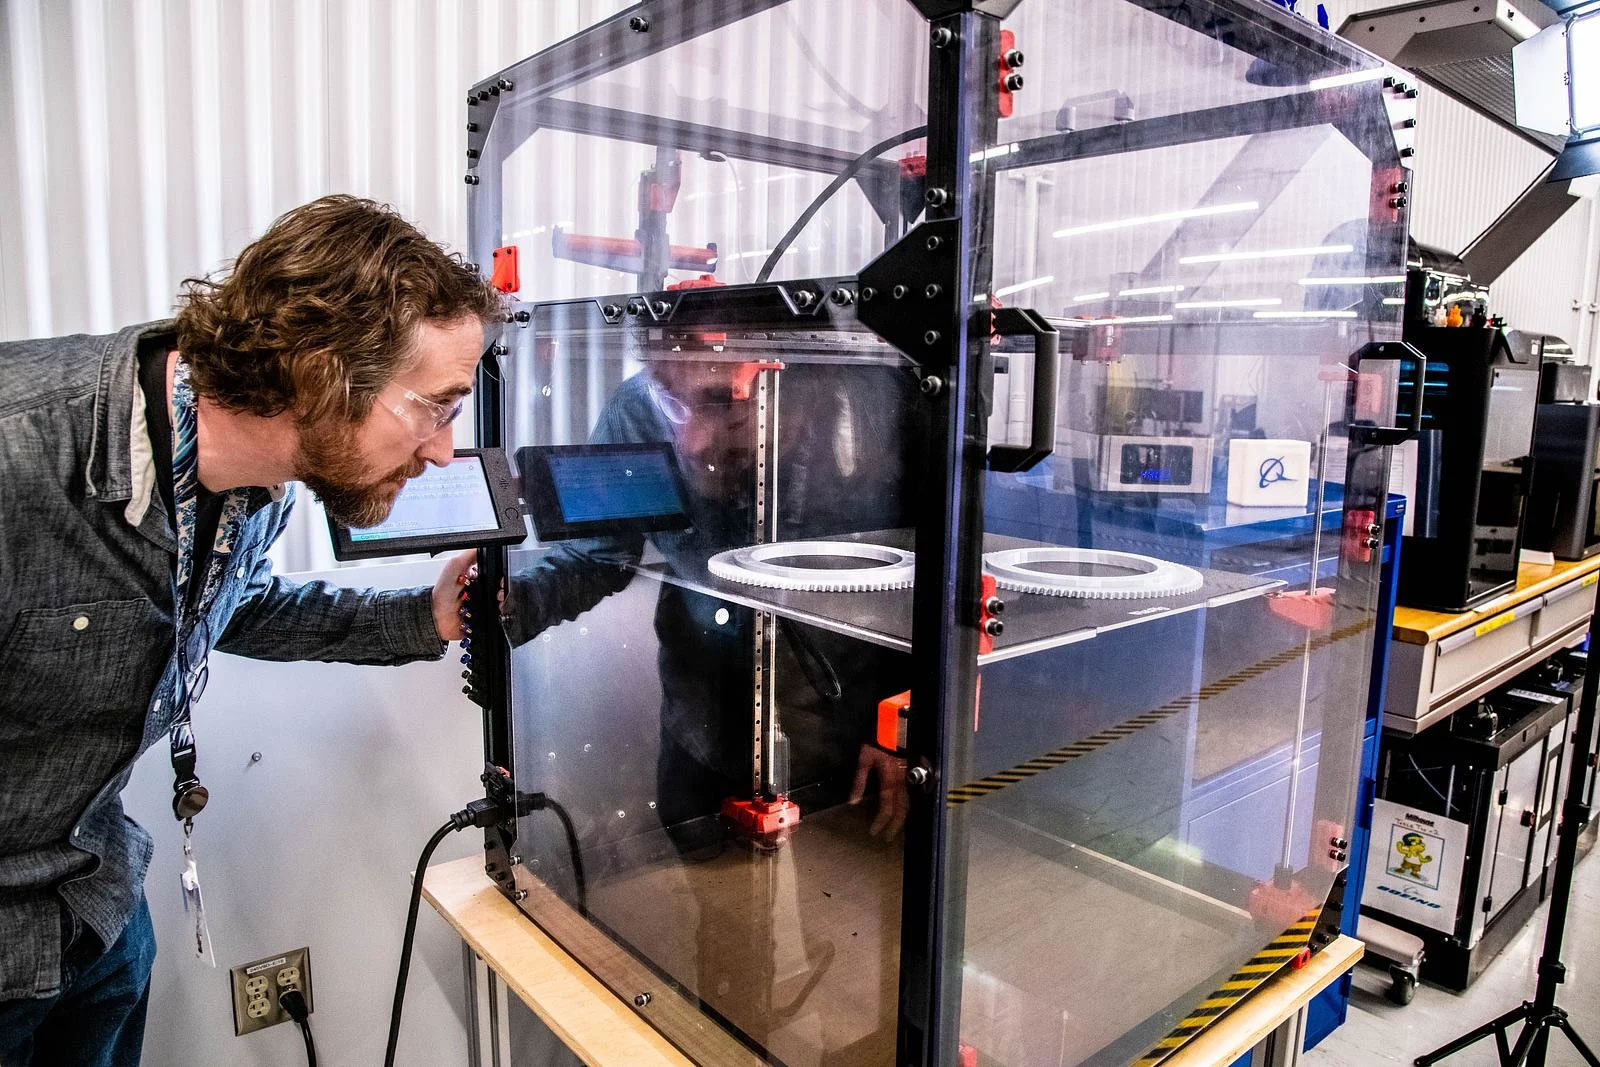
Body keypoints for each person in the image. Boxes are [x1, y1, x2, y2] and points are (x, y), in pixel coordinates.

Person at [0, 195, 498, 1066]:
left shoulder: (256, 473)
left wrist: (423, 616)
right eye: (437, 406)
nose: (443, 452)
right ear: (319, 370)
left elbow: (231, 605)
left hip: (98, 915)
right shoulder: (20, 454)